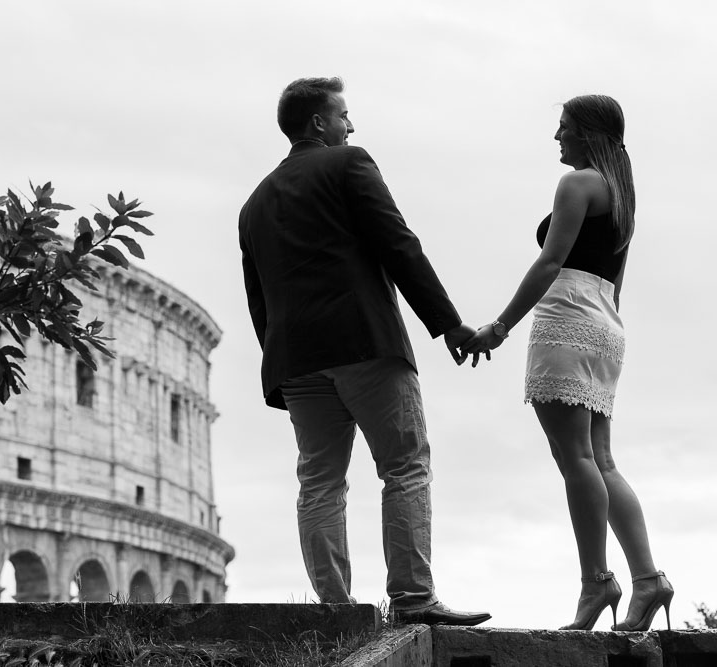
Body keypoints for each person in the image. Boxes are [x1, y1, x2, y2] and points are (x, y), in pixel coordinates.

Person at [238, 76, 490, 626]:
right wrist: (447, 324)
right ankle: (412, 598)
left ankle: (335, 612)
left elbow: (259, 300)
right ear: (319, 124)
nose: (350, 125)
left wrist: (283, 364)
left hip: (295, 360)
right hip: (364, 344)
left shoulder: (253, 203)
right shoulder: (348, 162)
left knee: (319, 479)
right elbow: (397, 242)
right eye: (344, 115)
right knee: (404, 465)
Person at [463, 94, 673, 631]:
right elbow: (616, 285)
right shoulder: (623, 196)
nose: (557, 137)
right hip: (606, 325)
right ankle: (648, 581)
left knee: (574, 457)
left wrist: (500, 326)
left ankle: (596, 581)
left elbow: (550, 262)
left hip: (567, 316)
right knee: (601, 458)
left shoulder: (577, 185)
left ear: (588, 134)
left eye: (563, 128)